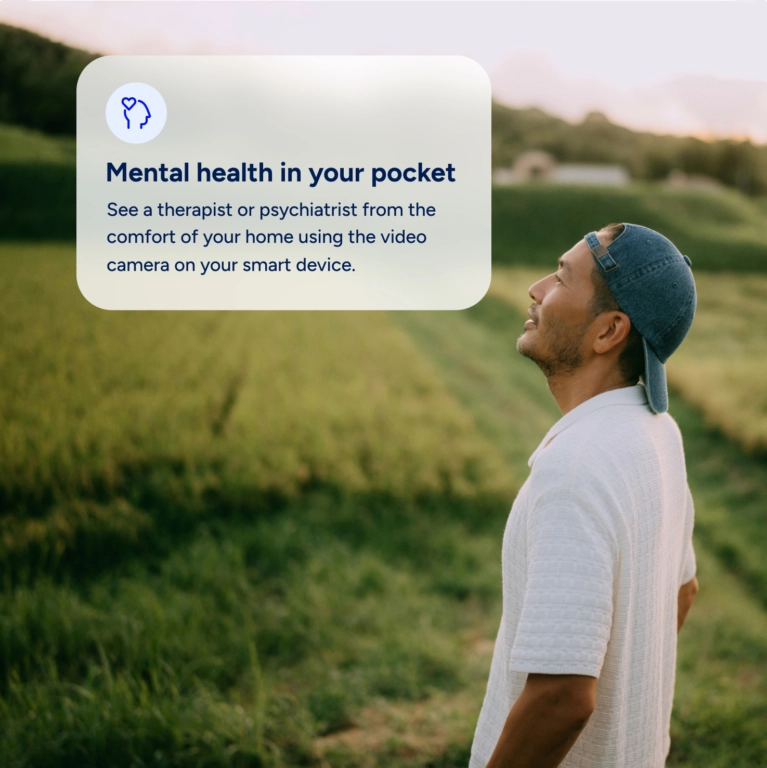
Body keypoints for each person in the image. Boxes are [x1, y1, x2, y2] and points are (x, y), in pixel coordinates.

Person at [469, 223, 700, 768]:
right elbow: (683, 591)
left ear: (608, 331)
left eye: (562, 277)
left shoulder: (573, 471)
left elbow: (562, 696)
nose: (536, 287)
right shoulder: (658, 431)